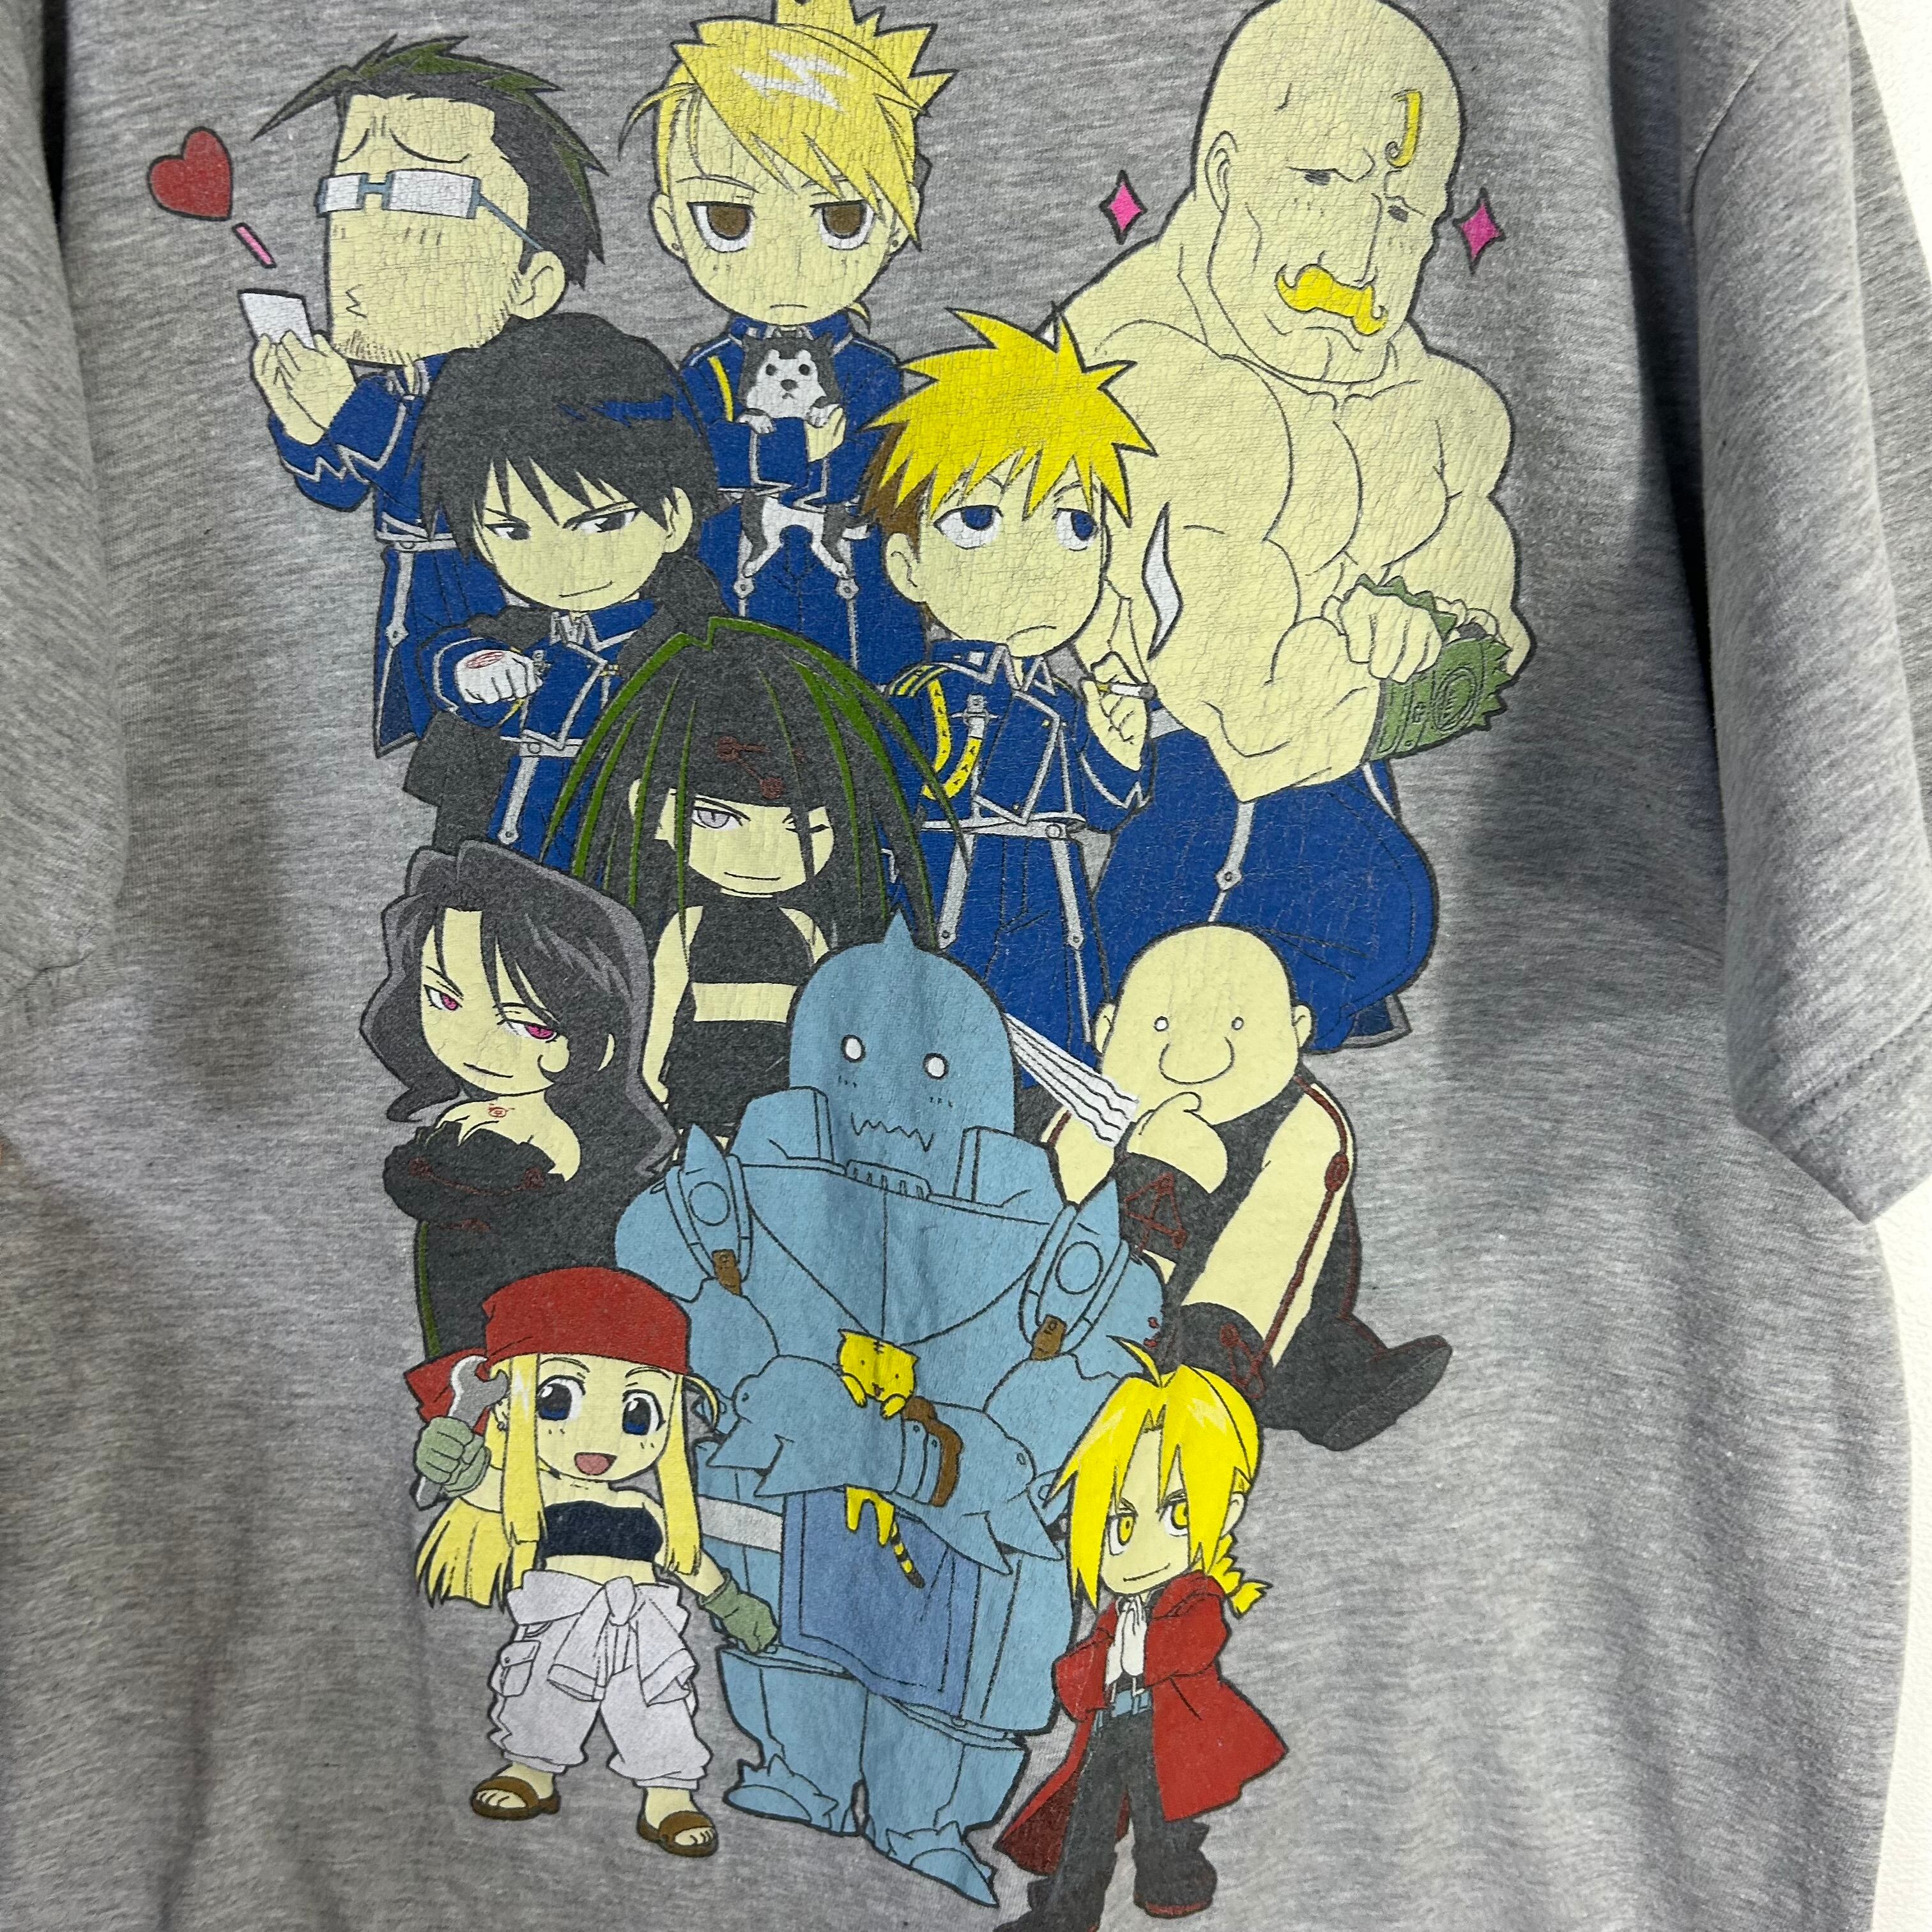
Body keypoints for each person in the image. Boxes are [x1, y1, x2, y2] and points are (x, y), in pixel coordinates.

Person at [611, 918, 1166, 1903]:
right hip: (791, 1502)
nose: (896, 1099)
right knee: (784, 1634)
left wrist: (943, 1458)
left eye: (935, 1071)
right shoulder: (742, 1192)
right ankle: (804, 1771)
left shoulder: (1051, 1241)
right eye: (855, 1056)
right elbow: (669, 1264)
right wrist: (762, 1379)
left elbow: (1096, 1361)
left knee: (968, 1664)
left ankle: (930, 1820)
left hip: (964, 1524)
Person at [1060, 0, 1534, 1050]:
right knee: (1186, 903)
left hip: (1332, 804)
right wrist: (1361, 654)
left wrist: (1422, 623)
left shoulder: (1419, 400)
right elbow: (1254, 698)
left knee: (1374, 910)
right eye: (1319, 179)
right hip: (1178, 774)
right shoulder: (1141, 359)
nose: (1359, 249)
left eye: (1402, 213)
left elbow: (1477, 599)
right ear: (1226, 177)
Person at [251, 38, 606, 753]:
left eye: (425, 203)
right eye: (347, 199)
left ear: (532, 283)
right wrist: (302, 423)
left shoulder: (537, 385)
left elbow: (469, 471)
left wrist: (345, 412)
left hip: (501, 599)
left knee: (493, 744)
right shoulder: (390, 383)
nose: (362, 250)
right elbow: (339, 488)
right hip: (413, 601)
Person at [408, 1264, 779, 1853]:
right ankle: (530, 1770)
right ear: (505, 1405)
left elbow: (686, 1560)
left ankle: (669, 1795)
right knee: (540, 1694)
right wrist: (456, 1462)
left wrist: (731, 1604)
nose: (603, 1438)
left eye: (637, 1413)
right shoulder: (531, 1493)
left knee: (659, 1707)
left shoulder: (646, 1508)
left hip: (646, 1626)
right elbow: (479, 1484)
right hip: (559, 1617)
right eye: (557, 1400)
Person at [629, 0, 949, 682]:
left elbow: (879, 477)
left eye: (840, 217)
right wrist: (797, 449)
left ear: (899, 220)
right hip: (733, 600)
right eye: (730, 218)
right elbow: (694, 470)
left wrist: (795, 466)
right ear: (671, 225)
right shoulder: (707, 371)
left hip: (858, 608)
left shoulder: (873, 372)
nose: (787, 262)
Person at [1043, 923, 1451, 1450]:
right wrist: (1153, 1169)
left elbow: (1268, 1270)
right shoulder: (1091, 1109)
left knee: (1293, 1331)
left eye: (1237, 1025)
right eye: (1160, 1025)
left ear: (1297, 1029)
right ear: (1107, 1030)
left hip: (1248, 1288)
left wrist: (1208, 1380)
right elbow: (1055, 1225)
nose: (1192, 1059)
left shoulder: (1307, 1124)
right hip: (1105, 1285)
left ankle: (1324, 1389)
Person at [868, 312, 1152, 1054]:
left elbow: (1102, 809)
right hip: (959, 893)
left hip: (1053, 896)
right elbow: (920, 796)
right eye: (980, 520)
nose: (1035, 563)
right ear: (907, 565)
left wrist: (1118, 749)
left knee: (1055, 1045)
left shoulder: (1060, 695)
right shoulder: (922, 692)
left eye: (1074, 527)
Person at [556, 616, 940, 1145]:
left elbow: (825, 1010)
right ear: (655, 813)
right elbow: (660, 1008)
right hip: (701, 1067)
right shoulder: (687, 926)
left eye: (803, 828)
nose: (764, 855)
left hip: (784, 1072)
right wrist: (644, 1077)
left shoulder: (805, 926)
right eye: (715, 819)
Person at [406, 311, 724, 859]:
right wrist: (472, 669)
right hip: (486, 863)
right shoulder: (519, 634)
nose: (559, 560)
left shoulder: (689, 654)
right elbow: (450, 658)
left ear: (673, 517)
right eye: (512, 531)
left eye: (601, 523)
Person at [994, 1350, 1284, 1928]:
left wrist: (1132, 1655)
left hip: (1162, 1724)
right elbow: (1079, 1676)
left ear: (1227, 1511)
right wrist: (1088, 1672)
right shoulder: (1115, 1613)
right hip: (1111, 1726)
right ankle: (1067, 1913)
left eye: (1175, 1512)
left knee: (1162, 1814)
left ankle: (1171, 1882)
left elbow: (1199, 1641)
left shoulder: (1193, 1594)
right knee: (1088, 1822)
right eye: (1120, 1524)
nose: (1137, 1547)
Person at [361, 843, 676, 1357]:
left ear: (601, 1037)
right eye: (444, 999)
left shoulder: (594, 1160)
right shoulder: (456, 1134)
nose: (477, 1041)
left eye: (527, 1024)